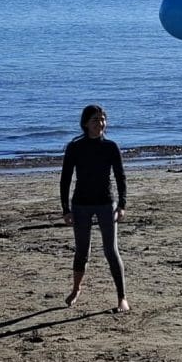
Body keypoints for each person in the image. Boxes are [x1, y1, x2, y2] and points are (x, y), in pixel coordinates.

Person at [60, 104, 129, 312]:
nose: (100, 123)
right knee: (82, 250)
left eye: (102, 119)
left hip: (106, 203)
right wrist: (66, 209)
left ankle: (122, 298)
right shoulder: (75, 147)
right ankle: (76, 288)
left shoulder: (111, 147)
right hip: (81, 205)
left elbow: (120, 177)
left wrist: (122, 205)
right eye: (95, 120)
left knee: (111, 251)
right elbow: (65, 179)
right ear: (85, 124)